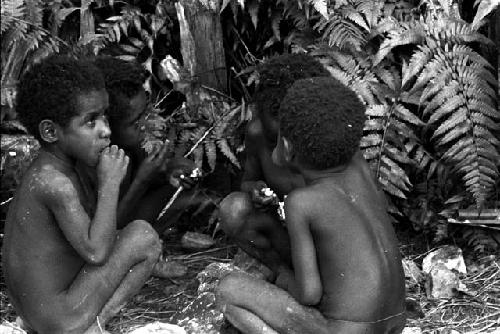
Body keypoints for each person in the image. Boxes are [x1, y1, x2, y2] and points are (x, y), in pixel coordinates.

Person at [216, 77, 406, 334]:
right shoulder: (359, 169)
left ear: (287, 146)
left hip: (342, 331)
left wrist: (283, 281)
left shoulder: (301, 203)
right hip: (394, 325)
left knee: (229, 288)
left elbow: (309, 294)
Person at [1, 55, 162, 333]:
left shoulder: (52, 168)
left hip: (42, 313)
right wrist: (110, 184)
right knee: (143, 238)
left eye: (104, 116)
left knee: (132, 236)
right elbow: (97, 252)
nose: (106, 130)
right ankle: (94, 327)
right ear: (51, 131)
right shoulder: (56, 184)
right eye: (90, 122)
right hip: (58, 320)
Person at [219, 53, 331, 270]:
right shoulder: (257, 134)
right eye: (275, 139)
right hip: (285, 236)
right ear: (260, 111)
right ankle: (281, 272)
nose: (283, 147)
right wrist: (256, 190)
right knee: (232, 210)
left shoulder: (325, 140)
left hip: (326, 244)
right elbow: (247, 181)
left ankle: (314, 280)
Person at [91, 56, 199, 233]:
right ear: (107, 125)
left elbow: (154, 181)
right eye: (135, 122)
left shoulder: (131, 145)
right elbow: (107, 228)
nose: (146, 125)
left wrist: (169, 171)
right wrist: (142, 180)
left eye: (147, 112)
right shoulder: (97, 160)